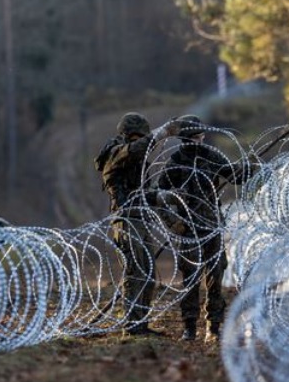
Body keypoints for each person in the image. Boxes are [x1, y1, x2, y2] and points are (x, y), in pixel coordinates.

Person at [158, 115, 247, 343]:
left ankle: (214, 327)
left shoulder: (211, 155)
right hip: (189, 228)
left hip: (212, 226)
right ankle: (189, 327)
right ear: (186, 138)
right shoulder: (176, 161)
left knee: (215, 276)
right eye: (196, 136)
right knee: (190, 279)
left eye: (201, 135)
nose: (200, 139)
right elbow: (159, 195)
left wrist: (250, 168)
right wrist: (173, 221)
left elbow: (234, 175)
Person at [94, 112, 180, 336]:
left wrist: (165, 199)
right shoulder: (116, 153)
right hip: (125, 219)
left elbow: (143, 194)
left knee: (149, 275)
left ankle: (141, 324)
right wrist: (160, 133)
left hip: (140, 219)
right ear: (129, 135)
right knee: (135, 272)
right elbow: (134, 150)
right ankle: (132, 327)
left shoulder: (138, 162)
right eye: (137, 137)